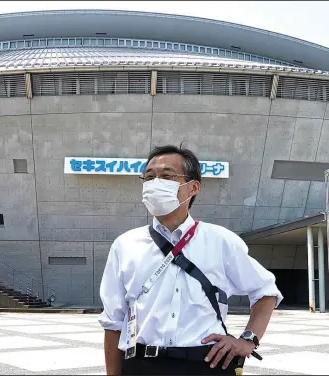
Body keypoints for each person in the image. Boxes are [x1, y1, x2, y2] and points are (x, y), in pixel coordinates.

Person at [98, 144, 283, 375]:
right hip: (142, 364)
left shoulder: (220, 240)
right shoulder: (125, 245)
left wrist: (248, 339)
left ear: (193, 187)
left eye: (167, 176)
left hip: (207, 363)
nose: (155, 183)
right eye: (149, 177)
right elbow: (113, 323)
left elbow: (266, 291)